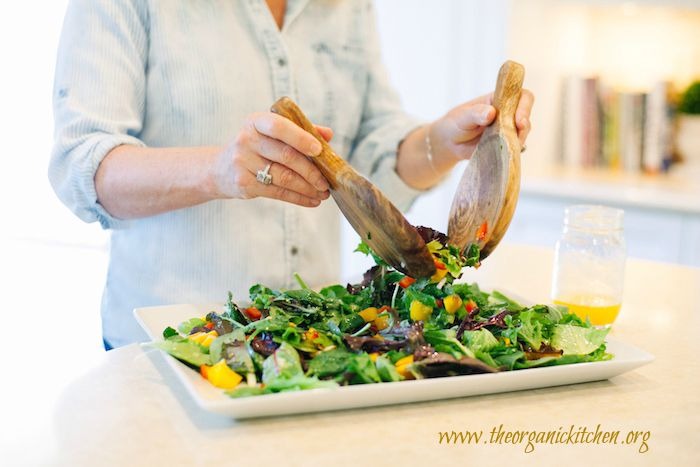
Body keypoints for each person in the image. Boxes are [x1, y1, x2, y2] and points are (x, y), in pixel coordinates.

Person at [49, 0, 534, 349]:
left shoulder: (347, 6)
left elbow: (372, 152)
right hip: (167, 347)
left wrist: (441, 141)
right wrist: (217, 171)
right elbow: (84, 164)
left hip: (315, 346)